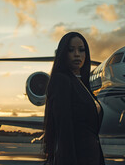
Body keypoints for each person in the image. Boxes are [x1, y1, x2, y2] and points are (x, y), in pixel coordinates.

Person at [43, 32, 105, 165]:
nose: (77, 54)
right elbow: (64, 129)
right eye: (71, 50)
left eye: (81, 50)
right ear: (63, 54)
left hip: (92, 158)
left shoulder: (82, 84)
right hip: (76, 159)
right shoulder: (62, 80)